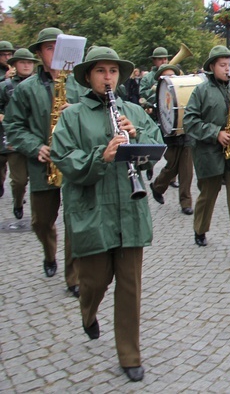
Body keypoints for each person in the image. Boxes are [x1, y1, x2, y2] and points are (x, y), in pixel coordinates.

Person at [50, 46, 163, 383]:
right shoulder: (72, 115)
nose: (108, 77)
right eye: (101, 71)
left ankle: (129, 354)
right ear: (89, 76)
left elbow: (155, 148)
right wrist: (103, 155)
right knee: (94, 281)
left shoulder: (132, 110)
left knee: (129, 287)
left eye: (113, 71)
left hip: (130, 207)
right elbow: (64, 157)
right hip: (93, 208)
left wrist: (138, 136)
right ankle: (88, 311)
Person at [5, 27, 79, 297]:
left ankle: (74, 277)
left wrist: (79, 112)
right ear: (39, 54)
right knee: (41, 222)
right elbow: (13, 126)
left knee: (75, 221)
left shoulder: (79, 84)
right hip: (42, 164)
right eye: (49, 48)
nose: (55, 53)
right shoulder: (26, 89)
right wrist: (35, 147)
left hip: (74, 164)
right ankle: (49, 255)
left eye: (59, 47)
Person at [183, 45, 230, 264]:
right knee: (208, 195)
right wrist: (216, 133)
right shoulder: (201, 91)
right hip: (209, 152)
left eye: (229, 65)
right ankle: (200, 229)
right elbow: (189, 121)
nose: (227, 69)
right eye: (222, 65)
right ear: (212, 67)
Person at [149, 64, 194, 215]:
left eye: (173, 75)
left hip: (186, 134)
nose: (171, 78)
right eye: (167, 76)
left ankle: (186, 202)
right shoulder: (157, 93)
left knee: (186, 170)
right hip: (170, 135)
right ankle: (157, 187)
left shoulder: (181, 89)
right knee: (172, 167)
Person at [0, 48, 36, 218]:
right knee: (19, 180)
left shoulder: (41, 84)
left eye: (29, 62)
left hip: (37, 137)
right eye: (22, 62)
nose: (26, 65)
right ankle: (17, 202)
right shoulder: (5, 86)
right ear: (14, 65)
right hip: (15, 139)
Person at [0, 40, 16, 196]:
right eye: (3, 54)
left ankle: (18, 192)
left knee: (17, 174)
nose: (6, 57)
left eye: (9, 54)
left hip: (12, 127)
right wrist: (4, 79)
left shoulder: (16, 71)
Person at [138, 47, 170, 114]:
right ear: (154, 61)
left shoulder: (172, 75)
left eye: (165, 59)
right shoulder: (147, 78)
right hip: (154, 112)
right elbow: (143, 95)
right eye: (160, 59)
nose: (164, 62)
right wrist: (154, 89)